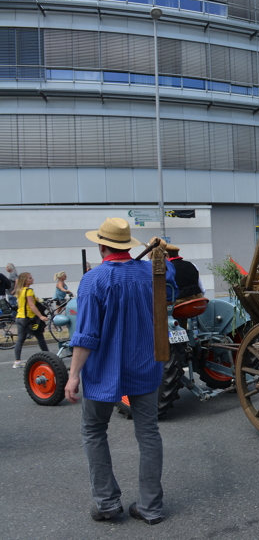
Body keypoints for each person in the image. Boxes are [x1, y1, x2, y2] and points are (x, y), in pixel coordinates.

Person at [65, 218, 176, 525]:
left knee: (94, 430)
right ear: (127, 245)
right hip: (146, 366)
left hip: (104, 371)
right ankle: (151, 507)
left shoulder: (93, 280)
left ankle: (106, 503)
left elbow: (85, 336)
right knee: (148, 434)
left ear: (101, 246)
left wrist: (73, 375)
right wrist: (161, 255)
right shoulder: (152, 273)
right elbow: (172, 280)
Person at [12, 272, 50, 368]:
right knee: (40, 337)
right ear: (25, 280)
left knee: (20, 340)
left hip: (20, 317)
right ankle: (49, 357)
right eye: (30, 278)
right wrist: (41, 316)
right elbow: (31, 305)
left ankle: (17, 361)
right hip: (29, 318)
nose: (32, 279)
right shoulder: (29, 291)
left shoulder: (19, 291)